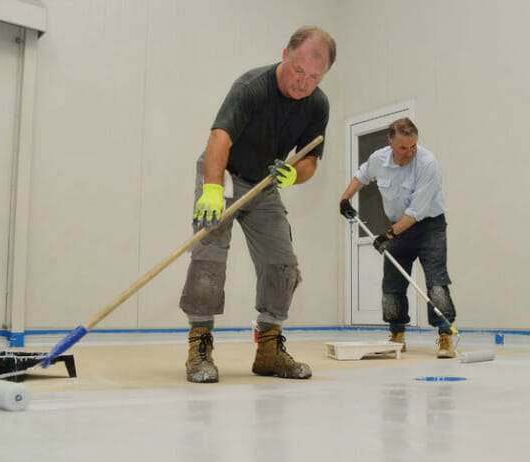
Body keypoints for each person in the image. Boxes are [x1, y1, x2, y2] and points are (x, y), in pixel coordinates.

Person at [180, 26, 336, 383]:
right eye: (299, 71)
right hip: (225, 172)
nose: (304, 83)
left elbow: (310, 159)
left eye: (314, 77)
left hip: (266, 181)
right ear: (285, 54)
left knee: (282, 262)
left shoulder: (317, 104)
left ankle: (268, 348)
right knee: (209, 256)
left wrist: (294, 176)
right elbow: (219, 138)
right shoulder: (252, 87)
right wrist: (212, 190)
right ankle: (199, 345)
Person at [338, 117, 457, 358]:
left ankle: (445, 335)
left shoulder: (428, 163)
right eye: (403, 147)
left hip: (428, 227)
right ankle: (397, 335)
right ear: (391, 143)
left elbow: (416, 211)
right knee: (392, 284)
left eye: (413, 146)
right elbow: (362, 175)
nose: (410, 152)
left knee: (436, 281)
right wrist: (345, 198)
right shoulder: (379, 159)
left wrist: (387, 235)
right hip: (398, 226)